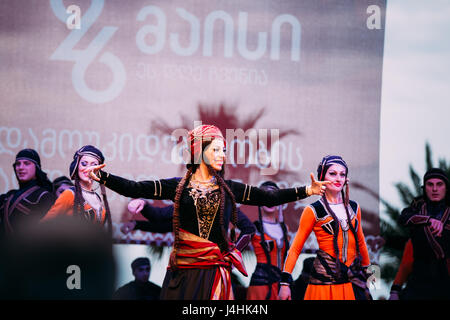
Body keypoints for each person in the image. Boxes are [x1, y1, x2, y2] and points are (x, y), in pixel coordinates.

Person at [86, 124, 329, 300]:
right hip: (183, 272)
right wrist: (103, 176)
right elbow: (134, 188)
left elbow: (267, 196)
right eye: (217, 150)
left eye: (224, 150)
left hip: (214, 272)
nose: (223, 155)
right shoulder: (179, 186)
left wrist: (308, 189)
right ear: (200, 151)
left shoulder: (228, 189)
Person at [279, 155, 372, 300]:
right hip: (323, 283)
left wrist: (373, 279)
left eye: (342, 174)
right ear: (322, 176)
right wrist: (285, 284)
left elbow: (361, 242)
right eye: (332, 173)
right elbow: (295, 248)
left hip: (347, 282)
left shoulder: (354, 207)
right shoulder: (313, 210)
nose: (338, 178)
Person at [398, 168, 450, 299]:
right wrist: (428, 220)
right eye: (430, 184)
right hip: (418, 280)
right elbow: (403, 218)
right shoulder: (417, 208)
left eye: (439, 184)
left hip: (445, 280)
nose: (434, 189)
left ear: (446, 188)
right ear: (424, 188)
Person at [42, 145, 112, 234]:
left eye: (94, 165)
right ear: (76, 166)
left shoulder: (97, 198)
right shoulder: (70, 194)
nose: (88, 169)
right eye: (84, 164)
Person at [246, 181, 291, 300]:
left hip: (282, 285)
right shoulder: (253, 228)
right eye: (266, 197)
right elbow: (235, 249)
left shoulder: (284, 228)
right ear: (259, 201)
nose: (270, 200)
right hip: (261, 285)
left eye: (273, 197)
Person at [0, 149, 55, 237]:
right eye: (18, 164)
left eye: (26, 163)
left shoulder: (44, 196)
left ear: (36, 167)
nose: (21, 167)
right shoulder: (8, 196)